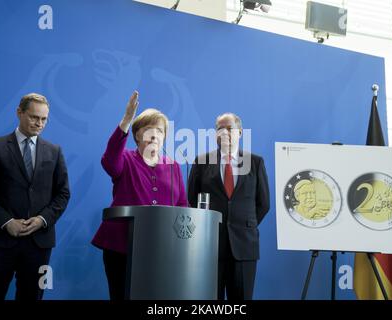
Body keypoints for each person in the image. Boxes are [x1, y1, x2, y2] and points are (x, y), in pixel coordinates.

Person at [0, 93, 70, 301]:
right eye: (34, 117)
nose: (39, 123)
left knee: (34, 297)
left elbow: (63, 193)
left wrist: (42, 220)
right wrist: (7, 222)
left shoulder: (55, 151)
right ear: (19, 112)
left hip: (40, 244)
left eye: (44, 119)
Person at [91, 90, 187, 301]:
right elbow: (109, 159)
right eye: (148, 130)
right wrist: (126, 119)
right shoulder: (124, 159)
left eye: (160, 131)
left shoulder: (174, 167)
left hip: (161, 249)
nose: (154, 135)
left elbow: (182, 206)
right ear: (136, 135)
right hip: (121, 247)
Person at [187, 112, 270, 300]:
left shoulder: (255, 162)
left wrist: (246, 225)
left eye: (229, 128)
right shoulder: (202, 162)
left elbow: (264, 203)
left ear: (240, 132)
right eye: (220, 129)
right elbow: (191, 200)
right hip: (209, 247)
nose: (225, 133)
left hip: (244, 246)